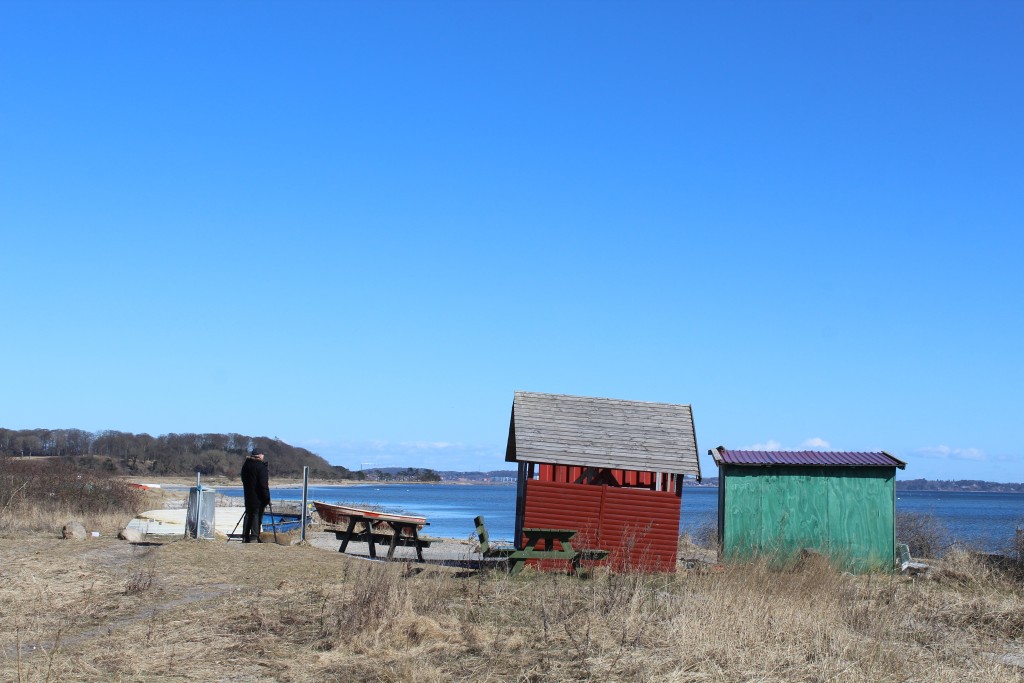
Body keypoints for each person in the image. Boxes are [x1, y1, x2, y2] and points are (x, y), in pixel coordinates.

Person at [240, 448, 270, 543]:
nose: (263, 456)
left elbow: (243, 479)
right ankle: (254, 537)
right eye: (262, 454)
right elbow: (263, 484)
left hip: (248, 494)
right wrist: (267, 497)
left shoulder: (246, 465)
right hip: (258, 496)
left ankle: (245, 536)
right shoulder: (261, 467)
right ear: (260, 455)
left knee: (248, 514)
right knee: (256, 514)